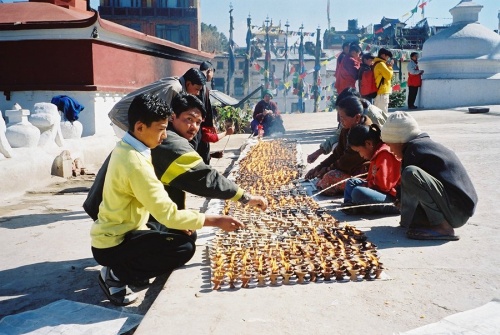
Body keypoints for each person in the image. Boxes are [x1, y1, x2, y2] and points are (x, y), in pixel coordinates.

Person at [90, 94, 245, 306]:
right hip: (113, 242)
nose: (164, 136)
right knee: (183, 248)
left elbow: (163, 208)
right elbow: (170, 214)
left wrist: (183, 222)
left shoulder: (130, 147)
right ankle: (116, 274)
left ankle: (127, 265)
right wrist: (217, 221)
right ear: (140, 127)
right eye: (161, 129)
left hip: (127, 228)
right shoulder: (135, 163)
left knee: (187, 232)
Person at [151, 92, 268, 212]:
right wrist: (245, 197)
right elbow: (205, 178)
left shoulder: (168, 137)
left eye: (198, 122)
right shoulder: (170, 142)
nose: (194, 127)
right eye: (189, 119)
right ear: (173, 117)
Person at [381, 111, 478, 240]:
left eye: (389, 145)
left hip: (457, 211)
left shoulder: (415, 150)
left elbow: (411, 184)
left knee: (411, 173)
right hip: (456, 209)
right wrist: (405, 222)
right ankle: (430, 223)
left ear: (399, 141)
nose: (391, 150)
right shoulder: (420, 147)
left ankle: (443, 228)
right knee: (409, 177)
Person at [108, 67, 206, 149]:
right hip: (122, 116)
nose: (197, 93)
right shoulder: (174, 88)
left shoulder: (176, 84)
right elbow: (159, 113)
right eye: (197, 89)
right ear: (188, 84)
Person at [304, 96, 371, 195]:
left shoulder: (363, 132)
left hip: (364, 172)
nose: (341, 121)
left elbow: (346, 161)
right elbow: (337, 153)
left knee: (329, 178)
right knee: (324, 175)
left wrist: (327, 169)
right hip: (349, 167)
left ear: (357, 117)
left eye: (343, 118)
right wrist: (319, 167)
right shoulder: (347, 128)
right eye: (340, 117)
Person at [307, 87, 387, 164]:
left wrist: (334, 167)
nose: (340, 120)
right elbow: (337, 137)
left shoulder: (372, 115)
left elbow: (381, 141)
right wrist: (320, 152)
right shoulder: (348, 121)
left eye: (342, 116)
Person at [342, 124, 401, 215]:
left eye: (359, 151)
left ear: (368, 144)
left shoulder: (384, 154)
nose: (360, 155)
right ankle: (351, 206)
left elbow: (384, 186)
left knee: (358, 192)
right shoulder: (376, 153)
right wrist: (367, 183)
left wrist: (367, 185)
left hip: (394, 199)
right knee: (351, 182)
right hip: (379, 190)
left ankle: (358, 206)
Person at [197, 61, 234, 164]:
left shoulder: (205, 88)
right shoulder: (200, 88)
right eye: (213, 72)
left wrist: (211, 155)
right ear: (209, 71)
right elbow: (210, 137)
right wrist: (226, 133)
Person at [373, 48, 394, 115]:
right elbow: (389, 75)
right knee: (383, 114)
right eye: (387, 56)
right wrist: (390, 67)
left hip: (379, 92)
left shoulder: (378, 63)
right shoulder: (381, 64)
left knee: (378, 114)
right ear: (383, 55)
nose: (388, 59)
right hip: (382, 92)